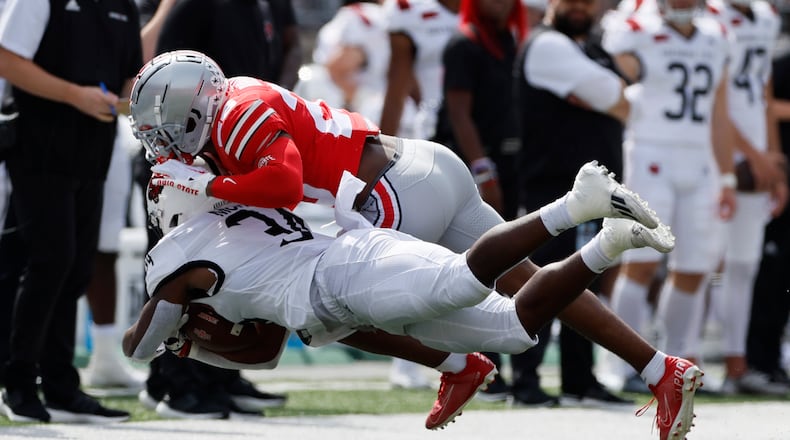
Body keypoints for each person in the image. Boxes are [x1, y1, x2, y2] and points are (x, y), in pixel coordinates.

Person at [125, 157, 702, 440]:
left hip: (362, 238)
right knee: (512, 326)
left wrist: (184, 339)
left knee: (459, 282)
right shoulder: (239, 207)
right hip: (406, 182)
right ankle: (613, 254)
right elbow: (269, 341)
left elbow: (141, 342)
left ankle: (576, 205)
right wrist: (196, 343)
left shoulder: (191, 239)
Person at [133, 0, 297, 418]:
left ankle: (217, 375)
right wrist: (182, 165)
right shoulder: (195, 4)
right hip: (191, 160)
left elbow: (278, 59)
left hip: (232, 157)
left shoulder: (264, 7)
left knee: (230, 270)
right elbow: (160, 85)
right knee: (183, 268)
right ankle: (177, 383)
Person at [0, 0, 141, 423]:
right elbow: (6, 57)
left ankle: (60, 385)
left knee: (76, 266)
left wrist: (137, 96)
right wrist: (73, 95)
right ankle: (19, 383)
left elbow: (129, 73)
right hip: (36, 144)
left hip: (93, 148)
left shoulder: (123, 5)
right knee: (48, 261)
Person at [602, 0, 737, 392]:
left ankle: (677, 362)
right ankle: (622, 363)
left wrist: (727, 177)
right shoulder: (634, 28)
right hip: (650, 152)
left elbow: (719, 113)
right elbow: (614, 78)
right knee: (641, 261)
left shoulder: (716, 36)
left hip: (700, 161)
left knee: (695, 267)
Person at [512, 0, 634, 406]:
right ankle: (525, 380)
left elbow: (627, 97)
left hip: (593, 191)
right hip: (554, 189)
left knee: (586, 283)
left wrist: (608, 94)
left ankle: (580, 380)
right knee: (545, 282)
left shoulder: (593, 46)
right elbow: (613, 91)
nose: (581, 6)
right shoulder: (547, 44)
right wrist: (609, 93)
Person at [433, 0, 527, 400]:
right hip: (474, 163)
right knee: (484, 265)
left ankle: (500, 363)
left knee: (507, 264)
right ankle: (484, 366)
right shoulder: (463, 43)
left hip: (508, 159)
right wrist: (482, 170)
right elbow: (459, 113)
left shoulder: (510, 40)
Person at [706, 0, 789, 395]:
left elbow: (763, 88)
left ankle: (737, 366)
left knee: (744, 264)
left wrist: (772, 159)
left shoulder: (766, 16)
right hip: (713, 150)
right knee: (699, 264)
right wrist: (755, 154)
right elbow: (715, 100)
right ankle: (682, 360)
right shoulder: (710, 16)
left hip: (755, 150)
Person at [81, 118, 147, 391]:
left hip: (107, 129)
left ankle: (105, 356)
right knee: (47, 254)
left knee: (106, 248)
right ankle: (28, 358)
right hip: (40, 128)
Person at [379, 0, 460, 139]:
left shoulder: (494, 6)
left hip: (492, 120)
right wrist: (384, 146)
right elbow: (397, 90)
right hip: (437, 125)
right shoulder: (408, 12)